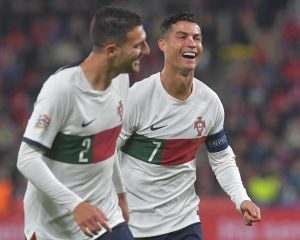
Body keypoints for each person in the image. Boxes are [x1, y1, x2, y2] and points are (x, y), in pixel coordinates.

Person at [118, 12, 261, 239]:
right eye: (182, 36)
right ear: (163, 44)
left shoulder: (210, 103)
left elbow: (221, 158)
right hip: (135, 225)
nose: (191, 43)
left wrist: (241, 197)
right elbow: (108, 155)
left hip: (184, 223)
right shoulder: (137, 98)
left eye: (196, 38)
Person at [17, 6, 150, 240]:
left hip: (103, 216)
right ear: (112, 50)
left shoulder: (121, 79)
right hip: (54, 227)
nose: (146, 51)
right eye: (138, 45)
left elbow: (108, 144)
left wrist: (120, 193)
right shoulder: (62, 89)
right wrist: (75, 204)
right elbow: (26, 159)